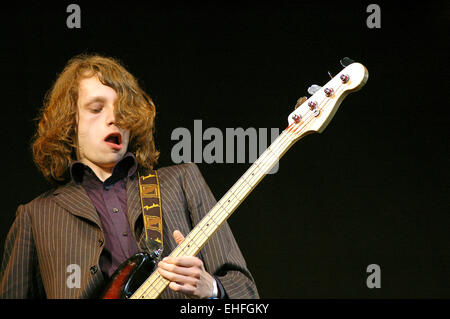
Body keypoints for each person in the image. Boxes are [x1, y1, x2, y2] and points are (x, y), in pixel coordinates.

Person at [0, 54, 259, 299]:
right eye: (96, 108)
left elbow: (246, 291)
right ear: (70, 122)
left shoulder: (181, 181)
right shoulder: (36, 216)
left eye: (122, 110)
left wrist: (211, 288)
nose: (114, 118)